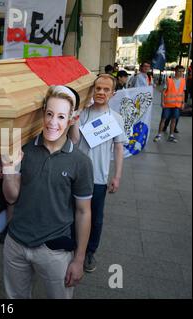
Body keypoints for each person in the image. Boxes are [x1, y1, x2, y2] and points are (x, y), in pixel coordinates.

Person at [1, 85, 93, 299]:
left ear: (71, 119)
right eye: (49, 114)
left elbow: (83, 212)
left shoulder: (80, 162)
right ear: (43, 113)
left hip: (55, 251)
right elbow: (11, 197)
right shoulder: (23, 150)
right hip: (16, 244)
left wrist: (79, 260)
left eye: (61, 117)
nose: (53, 122)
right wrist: (8, 169)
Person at [69, 74, 127, 273]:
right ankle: (72, 247)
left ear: (113, 93)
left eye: (106, 89)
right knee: (71, 213)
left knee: (96, 218)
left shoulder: (115, 118)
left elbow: (119, 149)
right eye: (98, 88)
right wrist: (74, 121)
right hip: (76, 176)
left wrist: (117, 176)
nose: (101, 92)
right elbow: (75, 141)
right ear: (93, 90)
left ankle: (89, 252)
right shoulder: (83, 114)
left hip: (99, 178)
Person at [153, 65, 186, 143]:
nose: (181, 73)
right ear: (175, 71)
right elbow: (163, 92)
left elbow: (183, 92)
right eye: (179, 71)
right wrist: (162, 102)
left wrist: (183, 103)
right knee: (163, 119)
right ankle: (159, 135)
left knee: (174, 120)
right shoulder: (169, 80)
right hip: (167, 104)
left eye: (182, 71)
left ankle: (171, 136)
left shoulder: (183, 80)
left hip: (177, 105)